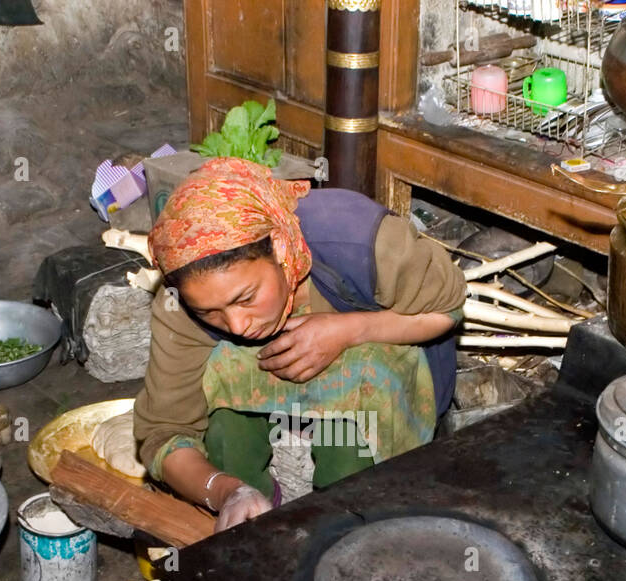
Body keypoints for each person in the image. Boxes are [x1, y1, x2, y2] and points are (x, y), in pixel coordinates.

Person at [134, 157, 466, 532]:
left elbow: (448, 308)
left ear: (278, 245)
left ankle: (344, 519)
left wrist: (347, 331)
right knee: (218, 376)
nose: (237, 324)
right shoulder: (182, 304)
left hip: (373, 386)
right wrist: (225, 491)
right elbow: (163, 431)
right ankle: (255, 516)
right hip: (266, 401)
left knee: (351, 430)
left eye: (246, 298)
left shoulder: (355, 238)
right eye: (210, 311)